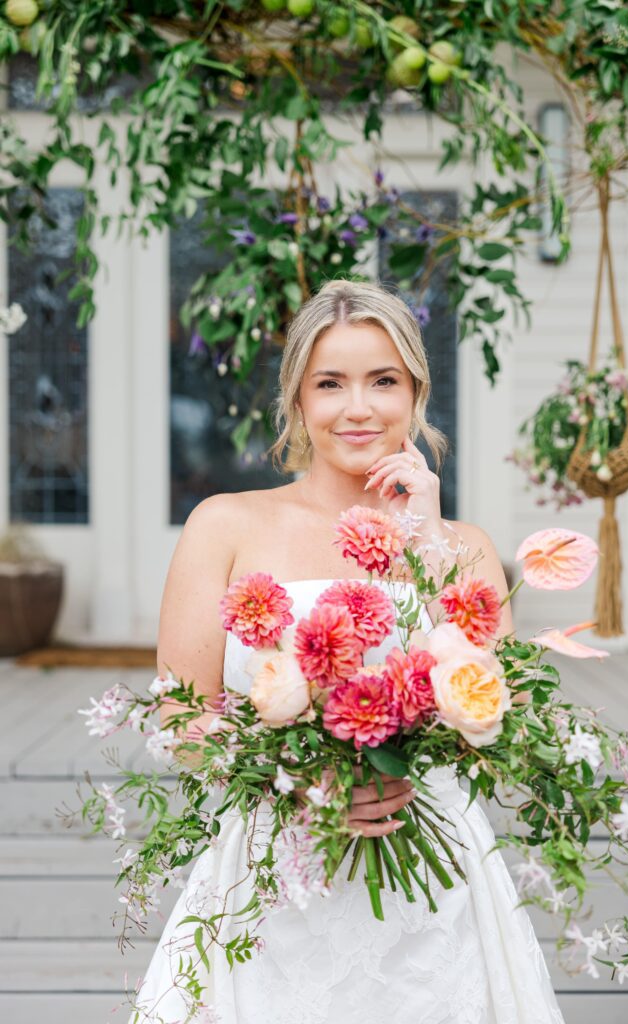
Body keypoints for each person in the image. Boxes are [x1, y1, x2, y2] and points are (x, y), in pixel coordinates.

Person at [135, 280, 565, 1023]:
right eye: (330, 383)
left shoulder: (464, 547)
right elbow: (179, 714)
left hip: (433, 892)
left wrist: (427, 539)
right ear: (297, 399)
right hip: (275, 878)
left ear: (416, 393)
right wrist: (298, 779)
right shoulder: (224, 525)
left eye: (382, 381)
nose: (357, 407)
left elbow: (506, 709)